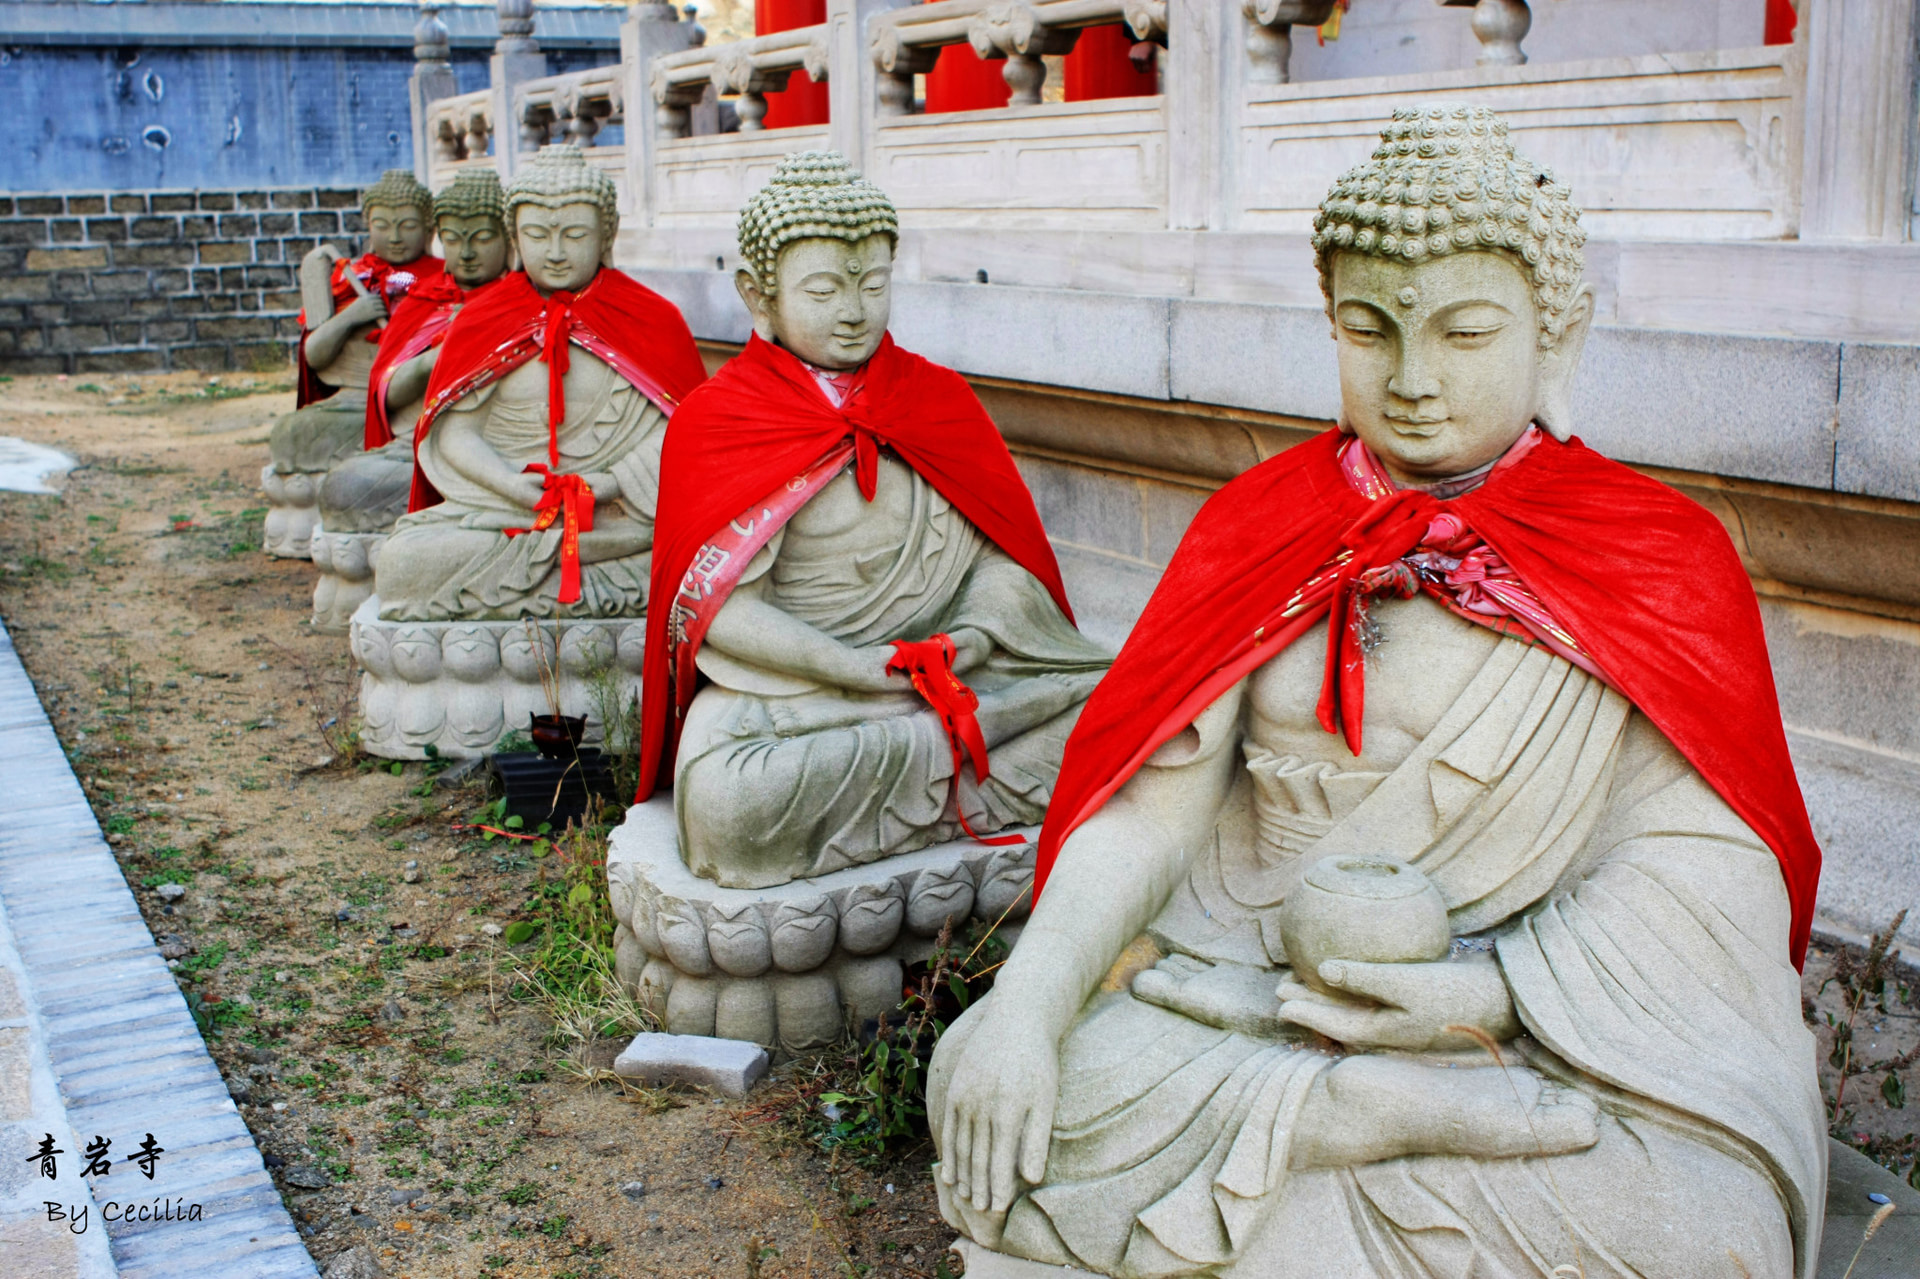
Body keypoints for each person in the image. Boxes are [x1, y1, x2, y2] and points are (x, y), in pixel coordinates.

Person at [929, 105, 1826, 1279]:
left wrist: (1490, 991)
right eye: (1368, 329)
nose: (1411, 381)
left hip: (1520, 1028)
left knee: (1709, 1232)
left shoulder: (1652, 555)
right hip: (1240, 981)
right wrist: (1031, 1007)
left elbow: (1706, 865)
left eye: (1464, 333)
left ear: (1556, 337)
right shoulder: (1262, 526)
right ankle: (1340, 1115)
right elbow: (1153, 812)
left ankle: (1327, 1140)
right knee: (989, 1074)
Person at [634, 152, 1112, 890]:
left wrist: (976, 634)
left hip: (949, 679)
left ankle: (929, 779)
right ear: (759, 299)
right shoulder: (718, 420)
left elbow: (1001, 561)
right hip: (797, 700)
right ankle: (951, 786)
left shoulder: (935, 399)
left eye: (873, 283)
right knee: (733, 802)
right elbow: (718, 612)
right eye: (823, 289)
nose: (853, 310)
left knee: (1119, 710)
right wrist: (855, 668)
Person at [371, 145, 707, 622]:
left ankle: (550, 587)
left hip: (619, 519)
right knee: (404, 563)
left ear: (606, 235)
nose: (554, 253)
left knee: (695, 549)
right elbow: (455, 433)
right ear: (514, 238)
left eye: (574, 235)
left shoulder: (652, 319)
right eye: (537, 235)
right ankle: (583, 588)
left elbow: (682, 435)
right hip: (508, 512)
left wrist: (608, 484)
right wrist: (509, 483)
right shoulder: (483, 320)